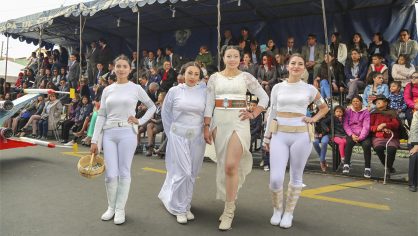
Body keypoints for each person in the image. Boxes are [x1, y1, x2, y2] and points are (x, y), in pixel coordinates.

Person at [204, 45, 269, 230]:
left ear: (240, 58)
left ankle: (229, 210)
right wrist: (206, 126)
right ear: (223, 58)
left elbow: (264, 98)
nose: (232, 59)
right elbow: (209, 104)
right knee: (225, 166)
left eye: (235, 56)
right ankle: (229, 200)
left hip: (239, 123)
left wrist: (254, 113)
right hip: (219, 122)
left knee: (232, 166)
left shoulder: (246, 77)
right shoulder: (214, 78)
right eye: (228, 56)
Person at [263, 53, 329, 229]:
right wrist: (266, 136)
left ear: (304, 68)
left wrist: (313, 119)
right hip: (279, 135)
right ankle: (277, 210)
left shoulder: (309, 89)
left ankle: (289, 212)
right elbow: (272, 112)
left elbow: (324, 108)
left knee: (296, 176)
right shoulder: (277, 87)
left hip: (302, 135)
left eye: (300, 63)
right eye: (293, 63)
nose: (296, 66)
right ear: (287, 66)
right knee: (276, 178)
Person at [90, 55, 156, 225]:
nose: (120, 69)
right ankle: (111, 207)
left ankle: (120, 209)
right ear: (114, 68)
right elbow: (101, 115)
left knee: (124, 171)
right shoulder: (107, 90)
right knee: (111, 175)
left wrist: (140, 121)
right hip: (109, 134)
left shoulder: (136, 88)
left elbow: (152, 107)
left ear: (130, 69)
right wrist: (94, 140)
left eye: (124, 66)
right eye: (118, 66)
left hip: (127, 133)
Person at [158, 62, 207, 224]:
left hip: (197, 138)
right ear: (183, 74)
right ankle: (177, 207)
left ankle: (185, 206)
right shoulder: (174, 91)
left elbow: (208, 112)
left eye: (196, 74)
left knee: (192, 173)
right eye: (190, 73)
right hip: (178, 136)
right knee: (183, 172)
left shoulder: (205, 91)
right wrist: (170, 133)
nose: (193, 77)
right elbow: (166, 114)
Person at [369, 95, 400, 178]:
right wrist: (377, 128)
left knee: (391, 149)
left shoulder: (392, 112)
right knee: (378, 148)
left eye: (380, 100)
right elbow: (369, 126)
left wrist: (386, 125)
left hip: (391, 136)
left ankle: (388, 167)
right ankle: (388, 167)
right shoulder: (373, 113)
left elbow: (396, 124)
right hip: (378, 136)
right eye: (376, 102)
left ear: (386, 102)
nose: (377, 102)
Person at [342, 95, 372, 177]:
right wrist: (352, 135)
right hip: (352, 133)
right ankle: (346, 164)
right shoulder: (348, 111)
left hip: (363, 134)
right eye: (353, 101)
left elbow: (366, 126)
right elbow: (345, 124)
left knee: (367, 145)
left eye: (357, 101)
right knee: (348, 143)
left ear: (361, 102)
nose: (355, 103)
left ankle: (367, 168)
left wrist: (361, 137)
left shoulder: (366, 112)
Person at [408, 111, 418, 192]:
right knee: (415, 156)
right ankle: (413, 183)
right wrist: (416, 145)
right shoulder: (417, 114)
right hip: (415, 141)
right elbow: (414, 130)